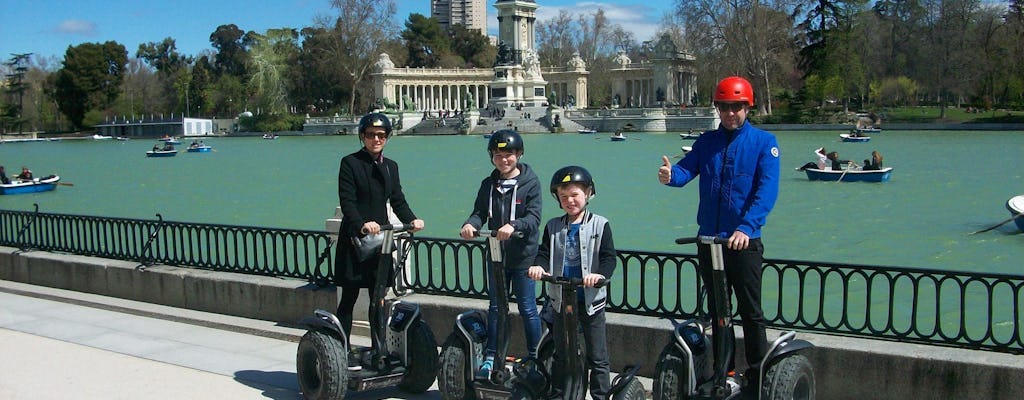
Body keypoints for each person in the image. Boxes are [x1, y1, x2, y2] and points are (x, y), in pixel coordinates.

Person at [657, 76, 780, 393]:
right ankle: (722, 371)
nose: (730, 114)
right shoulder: (707, 142)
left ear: (747, 107)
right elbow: (687, 170)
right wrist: (672, 176)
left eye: (737, 107)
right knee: (718, 311)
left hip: (743, 241)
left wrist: (746, 227)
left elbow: (766, 192)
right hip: (710, 242)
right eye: (724, 107)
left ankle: (755, 375)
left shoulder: (764, 143)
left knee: (750, 312)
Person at [334, 112, 424, 370]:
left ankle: (379, 349)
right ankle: (342, 348)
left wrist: (413, 219)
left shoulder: (390, 166)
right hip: (356, 239)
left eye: (381, 136)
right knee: (349, 296)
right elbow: (347, 201)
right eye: (371, 135)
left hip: (381, 240)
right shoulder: (350, 163)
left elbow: (397, 200)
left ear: (387, 138)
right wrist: (362, 224)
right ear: (362, 136)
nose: (376, 139)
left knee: (379, 297)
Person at [459, 129, 543, 379]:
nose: (503, 159)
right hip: (496, 256)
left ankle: (535, 357)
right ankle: (491, 355)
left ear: (518, 154)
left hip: (523, 256)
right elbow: (479, 212)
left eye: (508, 154)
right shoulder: (489, 184)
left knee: (528, 308)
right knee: (496, 308)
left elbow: (534, 217)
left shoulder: (531, 183)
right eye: (498, 155)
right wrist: (471, 224)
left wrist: (513, 226)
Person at [528, 166, 616, 400]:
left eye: (575, 194)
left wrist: (599, 275)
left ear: (587, 193)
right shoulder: (553, 226)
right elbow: (544, 252)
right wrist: (539, 266)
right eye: (563, 196)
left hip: (590, 301)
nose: (569, 200)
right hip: (560, 300)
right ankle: (560, 395)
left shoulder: (600, 224)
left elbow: (609, 258)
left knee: (597, 356)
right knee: (561, 353)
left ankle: (600, 396)